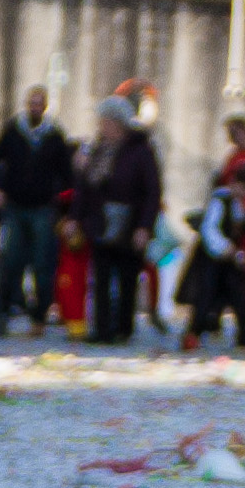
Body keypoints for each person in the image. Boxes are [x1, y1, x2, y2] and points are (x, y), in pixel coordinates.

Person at [177, 111, 245, 354]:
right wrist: (225, 248)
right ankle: (197, 331)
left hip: (243, 242)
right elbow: (211, 229)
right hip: (216, 257)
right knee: (205, 296)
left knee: (240, 293)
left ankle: (243, 333)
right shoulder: (223, 194)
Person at [0, 85, 72, 336]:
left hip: (43, 208)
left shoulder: (54, 136)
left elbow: (67, 175)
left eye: (40, 103)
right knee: (10, 261)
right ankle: (4, 313)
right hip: (14, 206)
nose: (35, 107)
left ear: (45, 106)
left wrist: (62, 206)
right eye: (32, 102)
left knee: (42, 264)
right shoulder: (12, 131)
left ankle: (39, 317)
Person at [73, 94, 159, 345]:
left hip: (130, 223)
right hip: (100, 221)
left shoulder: (141, 151)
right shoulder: (97, 150)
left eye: (106, 122)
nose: (101, 127)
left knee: (127, 277)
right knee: (100, 277)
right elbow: (85, 189)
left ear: (118, 123)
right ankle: (101, 329)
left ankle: (123, 327)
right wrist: (75, 218)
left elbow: (152, 191)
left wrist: (144, 226)